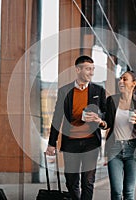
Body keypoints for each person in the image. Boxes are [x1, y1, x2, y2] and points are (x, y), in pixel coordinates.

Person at [46, 55, 106, 200]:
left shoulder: (99, 90)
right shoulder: (64, 91)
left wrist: (99, 119)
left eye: (92, 69)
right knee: (71, 181)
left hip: (91, 142)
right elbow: (57, 118)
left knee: (88, 181)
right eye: (87, 69)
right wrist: (51, 143)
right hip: (70, 142)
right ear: (78, 70)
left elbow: (106, 114)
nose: (91, 72)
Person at [101, 70, 136, 200]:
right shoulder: (112, 100)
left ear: (133, 83)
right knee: (116, 191)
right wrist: (101, 123)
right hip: (114, 148)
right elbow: (107, 123)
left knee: (128, 191)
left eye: (125, 79)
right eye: (120, 78)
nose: (121, 81)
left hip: (134, 149)